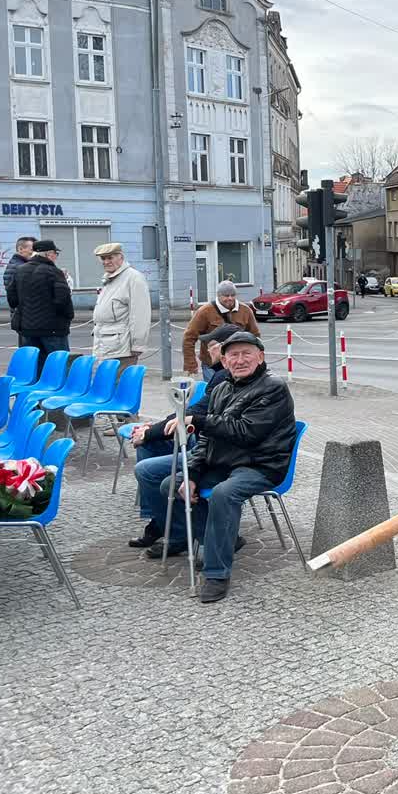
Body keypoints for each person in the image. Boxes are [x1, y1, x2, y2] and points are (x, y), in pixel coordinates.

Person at [159, 332, 297, 603]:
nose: (240, 360)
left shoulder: (273, 387)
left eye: (247, 353)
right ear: (223, 361)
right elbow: (207, 440)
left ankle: (217, 573)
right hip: (226, 462)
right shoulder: (222, 388)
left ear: (261, 357)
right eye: (233, 355)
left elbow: (247, 432)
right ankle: (223, 541)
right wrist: (194, 473)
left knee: (224, 493)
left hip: (262, 464)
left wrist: (198, 420)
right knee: (172, 484)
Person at [128, 324, 238, 552]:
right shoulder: (220, 376)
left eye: (210, 346)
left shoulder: (224, 378)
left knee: (147, 470)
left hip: (215, 452)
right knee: (149, 446)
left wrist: (149, 432)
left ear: (223, 349)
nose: (206, 351)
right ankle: (161, 520)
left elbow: (198, 415)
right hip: (206, 444)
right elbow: (190, 411)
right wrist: (152, 429)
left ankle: (177, 533)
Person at [7, 240, 74, 373]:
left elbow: (12, 300)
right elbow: (63, 300)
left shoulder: (20, 271)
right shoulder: (54, 272)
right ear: (49, 254)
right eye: (56, 253)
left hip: (27, 329)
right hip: (53, 329)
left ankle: (35, 387)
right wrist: (68, 318)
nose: (56, 257)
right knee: (59, 367)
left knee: (33, 369)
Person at [181, 281, 261, 379]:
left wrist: (256, 360)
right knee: (214, 388)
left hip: (238, 363)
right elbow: (189, 338)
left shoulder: (245, 310)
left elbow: (255, 336)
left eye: (233, 295)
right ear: (218, 296)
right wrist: (190, 364)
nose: (230, 298)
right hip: (212, 365)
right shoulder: (205, 311)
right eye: (226, 296)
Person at [91, 242, 151, 370]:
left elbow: (140, 315)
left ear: (121, 257)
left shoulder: (133, 278)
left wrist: (137, 345)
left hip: (122, 350)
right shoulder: (110, 279)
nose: (106, 262)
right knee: (107, 382)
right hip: (106, 347)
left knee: (119, 382)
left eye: (110, 258)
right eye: (103, 258)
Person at [3, 235, 35, 341]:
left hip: (24, 315)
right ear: (20, 249)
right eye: (31, 249)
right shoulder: (19, 267)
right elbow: (15, 294)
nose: (33, 253)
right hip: (24, 316)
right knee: (28, 347)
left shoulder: (19, 265)